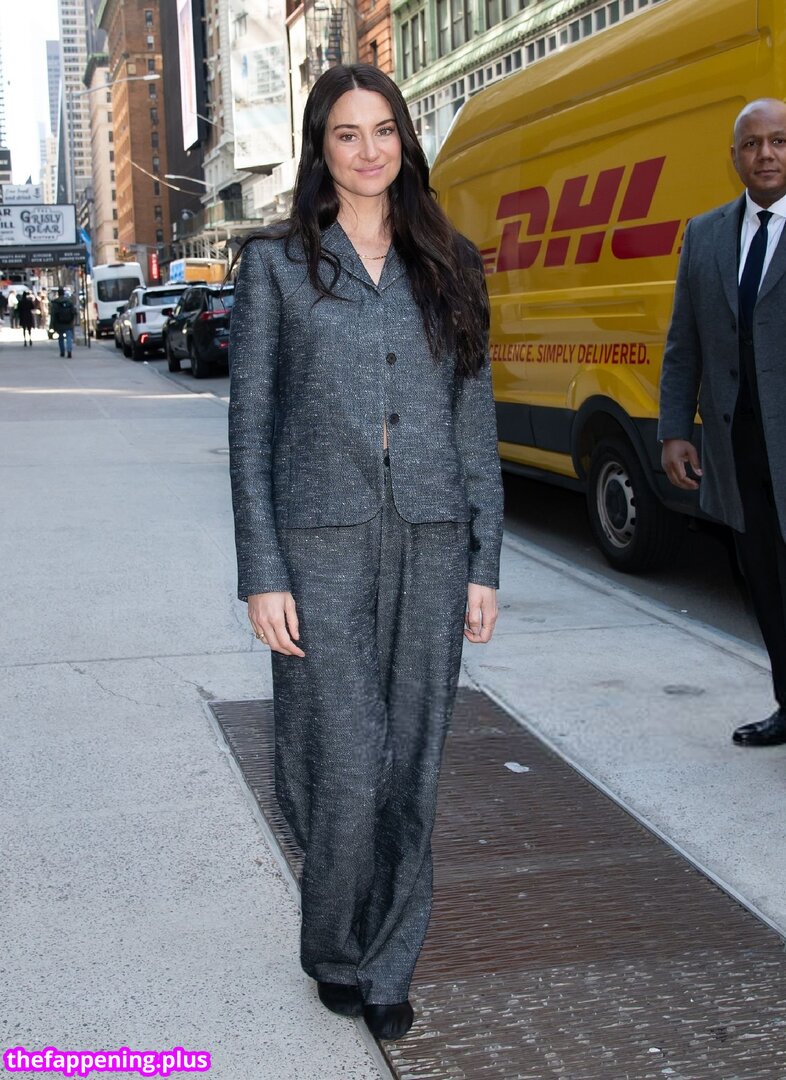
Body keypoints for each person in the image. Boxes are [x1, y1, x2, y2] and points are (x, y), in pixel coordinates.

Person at [228, 64, 503, 1040]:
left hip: (432, 539)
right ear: (321, 148)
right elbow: (251, 430)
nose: (369, 149)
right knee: (342, 761)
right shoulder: (276, 266)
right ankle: (333, 940)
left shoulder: (450, 262)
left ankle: (387, 960)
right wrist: (262, 571)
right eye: (347, 133)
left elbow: (474, 421)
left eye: (383, 129)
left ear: (404, 140)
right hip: (320, 547)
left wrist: (484, 560)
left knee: (412, 761)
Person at [660, 97, 786, 747]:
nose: (766, 154)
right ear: (734, 156)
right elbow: (684, 342)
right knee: (763, 581)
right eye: (752, 144)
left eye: (779, 141)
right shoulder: (706, 234)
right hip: (739, 448)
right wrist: (675, 429)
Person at [50, 287, 76, 357]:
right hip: (69, 322)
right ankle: (69, 350)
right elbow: (73, 312)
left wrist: (52, 325)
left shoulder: (56, 302)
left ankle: (62, 351)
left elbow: (53, 314)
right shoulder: (69, 301)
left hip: (59, 323)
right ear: (64, 293)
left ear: (58, 294)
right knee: (69, 337)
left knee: (61, 338)